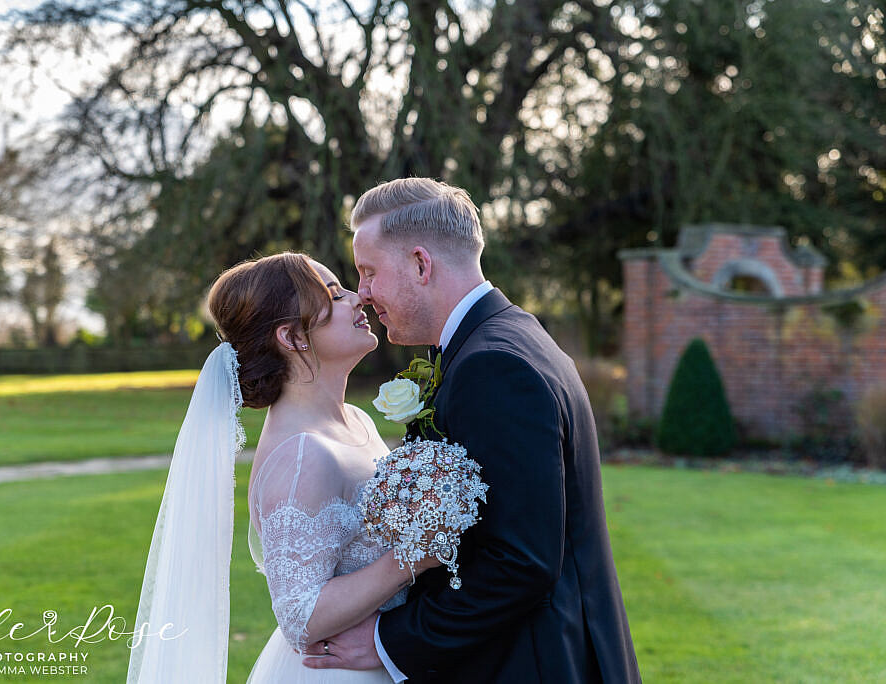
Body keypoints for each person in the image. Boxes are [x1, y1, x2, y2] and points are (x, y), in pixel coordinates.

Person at [302, 178, 641, 682]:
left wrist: (387, 639)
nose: (365, 294)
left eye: (369, 272)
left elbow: (518, 562)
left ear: (420, 264)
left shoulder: (493, 366)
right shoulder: (505, 338)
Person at [126, 252, 437, 684]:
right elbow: (301, 615)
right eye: (334, 294)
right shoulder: (300, 457)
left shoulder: (356, 418)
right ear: (292, 336)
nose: (359, 298)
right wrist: (415, 558)